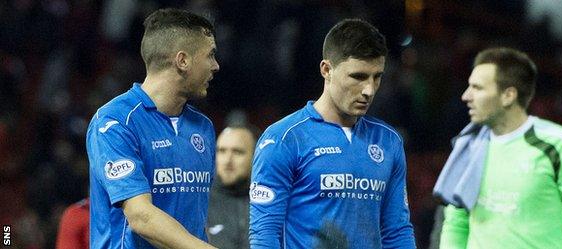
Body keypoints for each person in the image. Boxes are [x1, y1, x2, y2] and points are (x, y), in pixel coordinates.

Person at [249, 19, 416, 249]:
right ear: (326, 70)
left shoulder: (388, 141)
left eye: (377, 77)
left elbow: (397, 232)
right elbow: (265, 234)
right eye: (358, 76)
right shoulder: (285, 139)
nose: (369, 90)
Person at [434, 47, 562, 249]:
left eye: (477, 88)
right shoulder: (467, 146)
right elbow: (455, 224)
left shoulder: (558, 144)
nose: (466, 96)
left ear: (508, 95)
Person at [86, 8, 220, 249]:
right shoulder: (115, 122)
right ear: (183, 60)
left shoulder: (204, 127)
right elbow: (141, 217)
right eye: (210, 55)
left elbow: (197, 223)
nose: (216, 65)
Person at [207, 124, 258, 249]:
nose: (227, 160)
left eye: (237, 152)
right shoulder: (199, 202)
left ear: (256, 157)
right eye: (221, 151)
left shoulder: (270, 203)